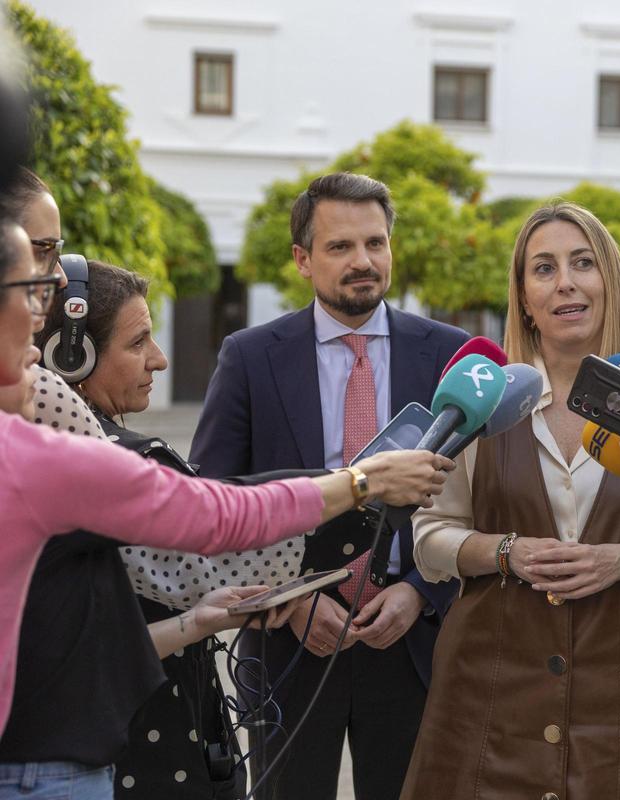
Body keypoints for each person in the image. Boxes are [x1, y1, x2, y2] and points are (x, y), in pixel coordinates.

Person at [0, 216, 453, 799]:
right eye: (34, 283)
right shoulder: (49, 456)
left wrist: (198, 622)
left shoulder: (42, 447)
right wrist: (360, 484)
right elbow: (215, 518)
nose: (44, 307)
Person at [403, 201, 620, 800]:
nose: (565, 282)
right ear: (524, 296)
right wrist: (507, 553)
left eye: (583, 263)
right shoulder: (484, 399)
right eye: (543, 269)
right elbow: (431, 536)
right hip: (490, 691)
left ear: (610, 281)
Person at [190, 172, 470, 799]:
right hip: (289, 648)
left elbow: (482, 500)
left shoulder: (449, 357)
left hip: (413, 642)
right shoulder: (250, 356)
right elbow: (212, 500)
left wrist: (420, 594)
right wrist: (291, 601)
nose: (363, 261)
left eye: (376, 243)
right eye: (340, 247)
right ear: (302, 259)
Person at [24, 259, 293, 799]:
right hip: (146, 751)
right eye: (138, 341)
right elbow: (217, 546)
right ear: (72, 354)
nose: (160, 359)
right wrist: (356, 489)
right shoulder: (125, 463)